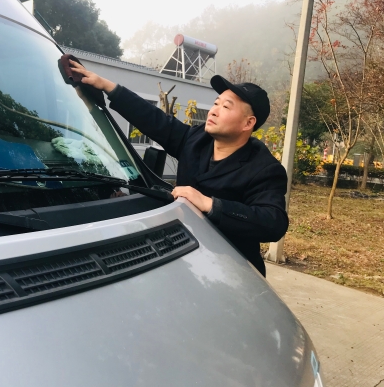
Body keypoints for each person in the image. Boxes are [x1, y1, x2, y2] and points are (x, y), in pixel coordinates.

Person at [69, 59, 289, 277]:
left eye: (225, 107)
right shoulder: (196, 139)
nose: (213, 111)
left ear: (248, 123)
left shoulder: (264, 169)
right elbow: (154, 119)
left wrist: (211, 204)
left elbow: (274, 223)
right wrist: (107, 86)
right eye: (216, 103)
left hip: (233, 271)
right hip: (184, 255)